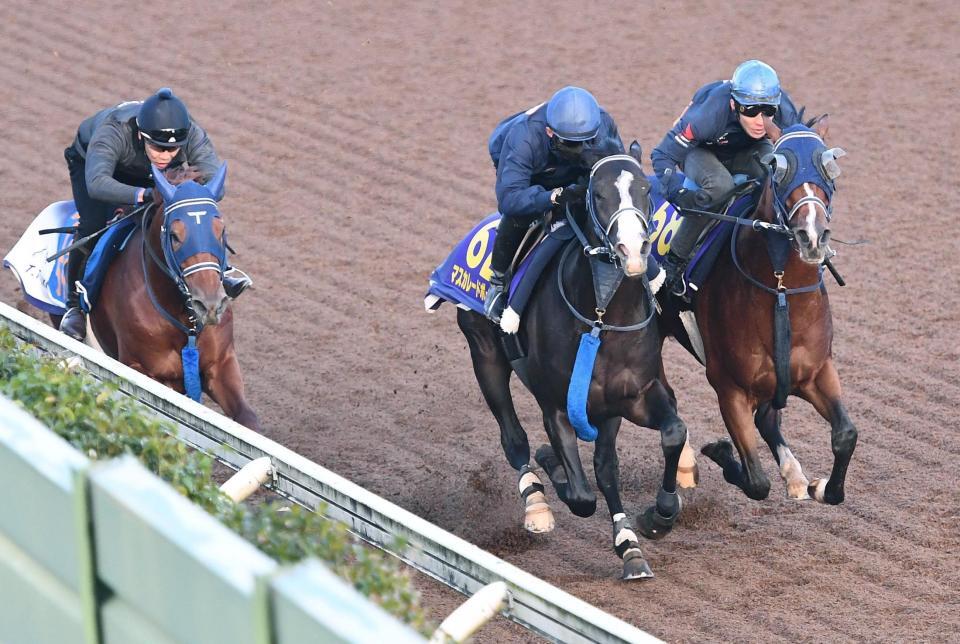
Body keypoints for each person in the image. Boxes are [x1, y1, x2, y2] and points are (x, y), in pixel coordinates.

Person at [58, 88, 251, 341]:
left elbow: (215, 186)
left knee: (196, 217)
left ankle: (221, 274)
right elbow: (97, 184)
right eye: (158, 148)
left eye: (172, 150)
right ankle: (74, 305)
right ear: (141, 134)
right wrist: (146, 195)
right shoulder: (113, 132)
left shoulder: (191, 133)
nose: (165, 156)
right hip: (100, 169)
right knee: (93, 224)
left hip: (153, 176)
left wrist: (186, 198)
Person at [650, 60, 800, 296]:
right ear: (733, 104)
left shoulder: (785, 111)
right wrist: (674, 191)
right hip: (700, 151)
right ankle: (674, 261)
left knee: (775, 174)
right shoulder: (708, 116)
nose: (760, 121)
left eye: (768, 111)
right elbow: (662, 154)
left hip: (747, 149)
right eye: (750, 110)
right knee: (720, 185)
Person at [484, 86, 624, 321]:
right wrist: (553, 197)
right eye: (572, 143)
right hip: (535, 172)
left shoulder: (602, 125)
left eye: (587, 141)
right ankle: (498, 283)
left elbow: (615, 175)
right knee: (521, 215)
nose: (582, 149)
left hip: (575, 168)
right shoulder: (524, 138)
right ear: (550, 132)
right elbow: (509, 199)